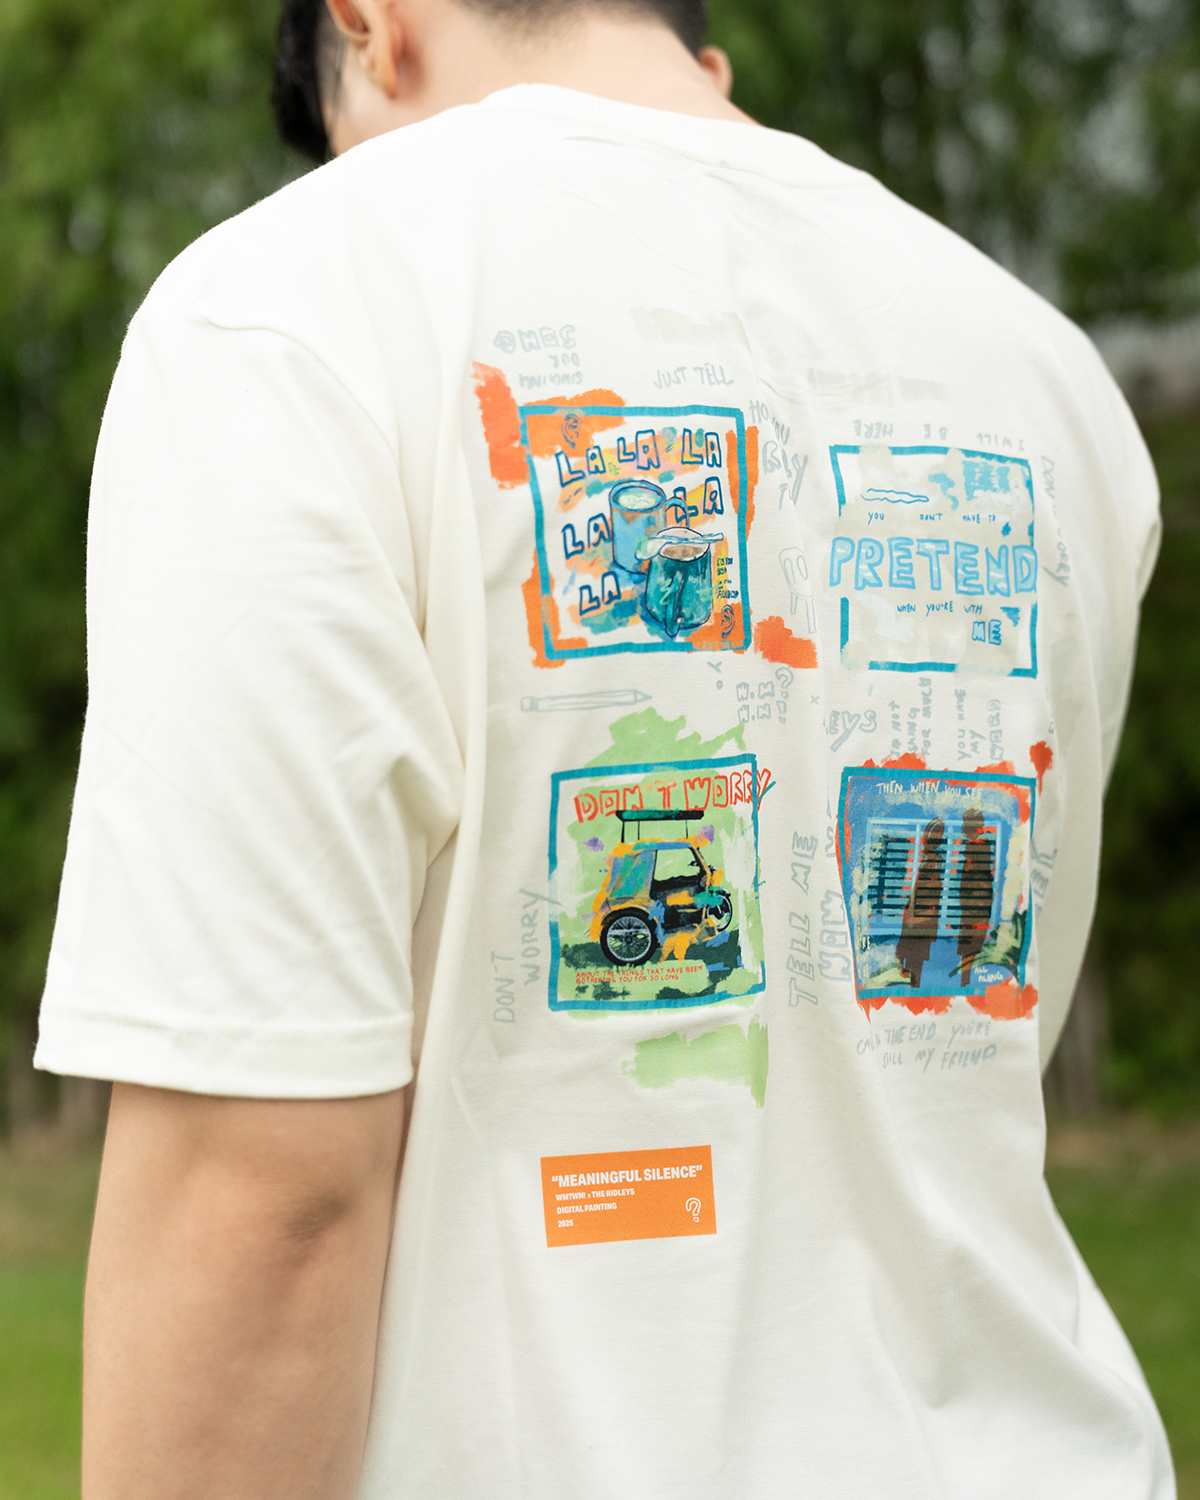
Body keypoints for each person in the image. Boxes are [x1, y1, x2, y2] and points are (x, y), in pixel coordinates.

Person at [35, 0, 1174, 1495]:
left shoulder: (287, 311)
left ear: (370, 30)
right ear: (703, 61)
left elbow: (261, 1192)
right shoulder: (1045, 373)